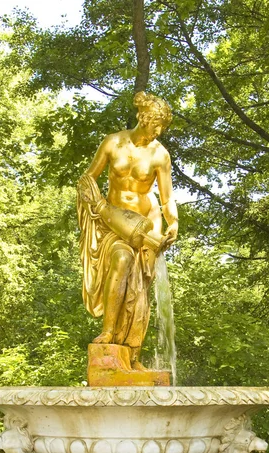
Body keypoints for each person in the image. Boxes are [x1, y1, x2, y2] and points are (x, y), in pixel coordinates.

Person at [77, 91, 178, 370]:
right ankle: (108, 333)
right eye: (155, 124)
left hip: (146, 225)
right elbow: (88, 178)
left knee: (139, 293)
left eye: (162, 127)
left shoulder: (160, 154)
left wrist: (174, 224)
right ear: (143, 118)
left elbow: (167, 199)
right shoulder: (113, 143)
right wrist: (92, 202)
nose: (158, 131)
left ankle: (131, 354)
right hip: (114, 224)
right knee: (121, 261)